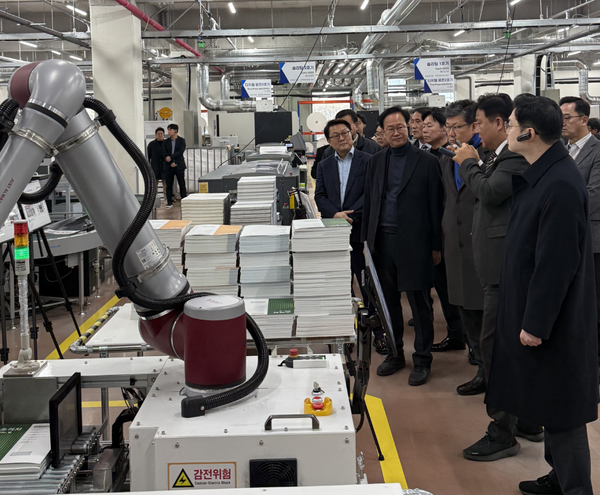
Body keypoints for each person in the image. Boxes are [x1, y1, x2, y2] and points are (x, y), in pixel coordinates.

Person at [487, 95, 599, 495]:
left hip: (555, 320)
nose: (507, 130)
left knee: (563, 410)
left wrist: (535, 323)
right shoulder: (545, 173)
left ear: (529, 133)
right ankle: (557, 477)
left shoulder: (561, 183)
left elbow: (556, 264)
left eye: (512, 125)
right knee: (549, 402)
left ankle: (575, 489)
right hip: (537, 309)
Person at [454, 94, 538, 461]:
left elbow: (489, 193)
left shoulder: (514, 158)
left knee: (496, 351)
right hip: (498, 269)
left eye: (479, 123)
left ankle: (502, 431)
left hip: (506, 273)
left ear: (500, 123)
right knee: (507, 350)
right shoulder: (497, 156)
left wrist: (468, 164)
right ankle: (527, 418)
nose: (476, 130)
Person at [361, 106, 444, 386]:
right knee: (388, 302)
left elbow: (436, 206)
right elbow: (370, 202)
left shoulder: (427, 162)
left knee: (419, 303)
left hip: (415, 242)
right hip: (382, 241)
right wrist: (366, 243)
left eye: (400, 127)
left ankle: (422, 359)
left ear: (409, 128)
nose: (396, 133)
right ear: (382, 132)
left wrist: (435, 246)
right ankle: (395, 354)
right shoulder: (376, 162)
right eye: (390, 129)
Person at [314, 119, 379, 350]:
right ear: (329, 141)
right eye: (336, 135)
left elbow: (372, 193)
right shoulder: (324, 165)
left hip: (360, 230)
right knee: (340, 283)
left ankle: (375, 330)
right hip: (335, 231)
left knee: (366, 283)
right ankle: (345, 330)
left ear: (352, 133)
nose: (342, 138)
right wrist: (335, 214)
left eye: (345, 133)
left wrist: (349, 214)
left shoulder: (368, 160)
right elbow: (320, 195)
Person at [439, 100, 488, 396]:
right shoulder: (448, 157)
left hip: (481, 245)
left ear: (475, 125)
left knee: (485, 314)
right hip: (455, 246)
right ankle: (481, 365)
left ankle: (490, 372)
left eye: (457, 126)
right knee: (465, 309)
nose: (452, 132)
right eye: (449, 127)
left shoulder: (489, 157)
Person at [417, 108, 465, 358]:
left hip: (452, 233)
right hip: (435, 231)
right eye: (421, 125)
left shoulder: (453, 155)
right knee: (444, 287)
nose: (423, 129)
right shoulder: (428, 156)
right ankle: (455, 334)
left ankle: (465, 338)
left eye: (429, 125)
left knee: (458, 287)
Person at [560, 96, 600, 384]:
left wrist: (556, 209)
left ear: (584, 120)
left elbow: (593, 196)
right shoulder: (562, 150)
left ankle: (594, 365)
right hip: (566, 238)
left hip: (592, 239)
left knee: (593, 306)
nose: (562, 123)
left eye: (567, 118)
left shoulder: (597, 152)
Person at [312, 109, 382, 179]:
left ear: (356, 125)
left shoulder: (373, 148)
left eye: (346, 125)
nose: (342, 128)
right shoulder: (329, 151)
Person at [164, 123, 187, 209]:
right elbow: (164, 153)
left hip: (179, 165)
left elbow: (180, 151)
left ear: (175, 131)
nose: (168, 132)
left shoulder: (182, 141)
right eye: (168, 130)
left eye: (170, 130)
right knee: (169, 184)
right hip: (169, 166)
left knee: (182, 184)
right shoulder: (166, 142)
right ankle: (169, 201)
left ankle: (184, 200)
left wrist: (171, 158)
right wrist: (170, 162)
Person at [147, 127, 167, 200]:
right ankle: (154, 201)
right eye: (158, 134)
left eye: (161, 134)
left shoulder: (167, 144)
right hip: (155, 168)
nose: (160, 135)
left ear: (164, 134)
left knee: (166, 186)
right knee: (154, 187)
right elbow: (148, 156)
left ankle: (167, 200)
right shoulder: (151, 144)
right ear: (155, 135)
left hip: (165, 168)